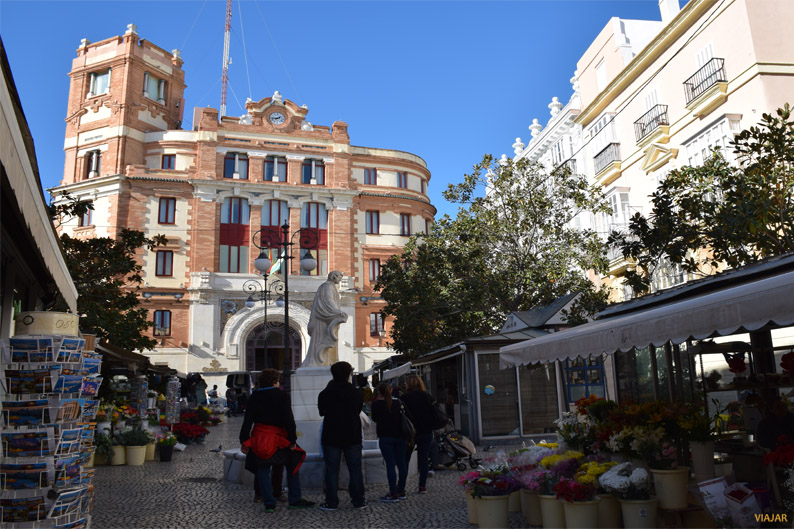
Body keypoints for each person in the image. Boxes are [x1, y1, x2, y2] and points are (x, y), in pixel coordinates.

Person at [239, 369, 315, 513]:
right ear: (275, 381)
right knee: (293, 464)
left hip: (260, 437)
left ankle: (269, 503)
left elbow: (247, 421)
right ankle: (294, 498)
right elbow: (288, 419)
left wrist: (244, 440)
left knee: (262, 469)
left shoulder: (254, 397)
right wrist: (292, 439)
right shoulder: (282, 396)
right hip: (279, 437)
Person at [317, 361, 367, 511]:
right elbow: (358, 410)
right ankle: (358, 500)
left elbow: (322, 412)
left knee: (332, 470)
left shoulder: (325, 393)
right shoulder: (356, 392)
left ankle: (331, 502)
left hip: (331, 434)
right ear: (349, 374)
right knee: (355, 469)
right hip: (352, 434)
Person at [372, 382, 411, 502]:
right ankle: (401, 490)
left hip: (385, 437)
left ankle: (393, 493)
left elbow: (374, 418)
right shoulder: (398, 403)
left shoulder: (376, 404)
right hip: (400, 436)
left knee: (390, 465)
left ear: (379, 392)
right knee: (401, 463)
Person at [401, 374, 436, 494]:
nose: (404, 384)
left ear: (410, 383)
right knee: (424, 458)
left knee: (405, 459)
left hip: (411, 432)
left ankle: (401, 487)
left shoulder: (405, 398)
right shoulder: (427, 396)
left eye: (405, 382)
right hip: (426, 430)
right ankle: (422, 486)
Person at [304, 271, 348, 367]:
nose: (340, 280)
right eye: (339, 277)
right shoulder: (327, 286)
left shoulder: (331, 287)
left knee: (326, 342)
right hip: (323, 321)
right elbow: (328, 300)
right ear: (334, 277)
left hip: (326, 320)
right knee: (321, 340)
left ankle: (327, 362)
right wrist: (336, 311)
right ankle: (319, 362)